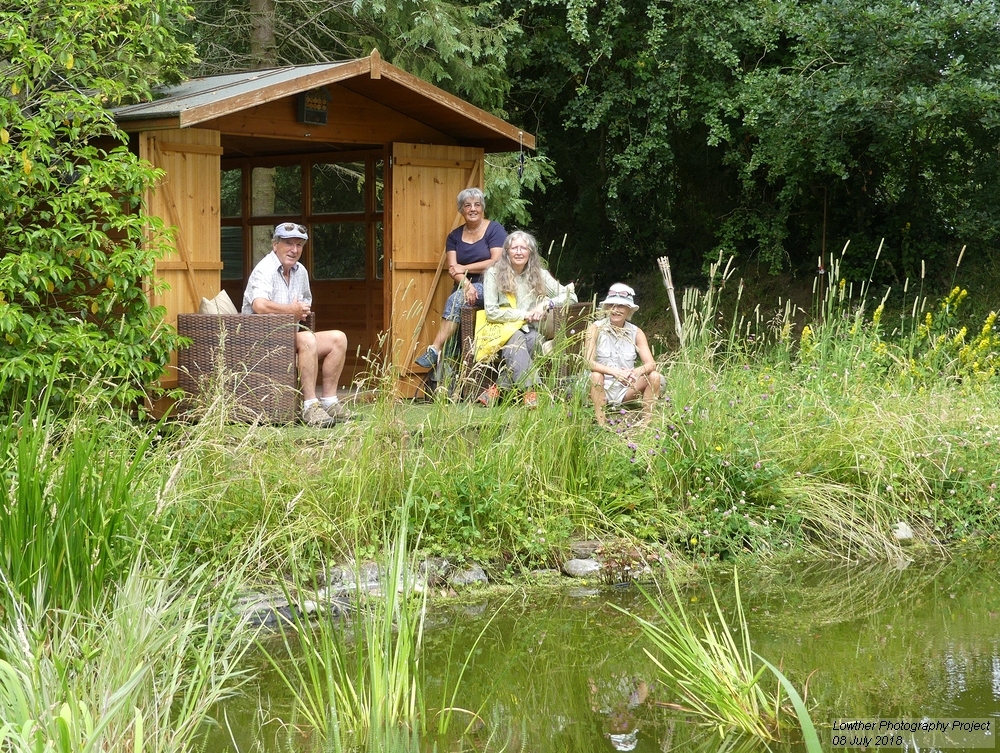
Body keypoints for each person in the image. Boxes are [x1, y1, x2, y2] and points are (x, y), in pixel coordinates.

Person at [242, 222, 349, 427]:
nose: (294, 250)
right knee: (308, 338)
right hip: (260, 342)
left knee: (338, 338)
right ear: (275, 245)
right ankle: (310, 407)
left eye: (299, 245)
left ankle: (329, 402)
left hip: (289, 337)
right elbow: (259, 305)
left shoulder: (300, 271)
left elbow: (305, 302)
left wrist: (302, 309)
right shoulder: (264, 269)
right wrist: (292, 310)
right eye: (289, 244)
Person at [480, 230, 577, 408]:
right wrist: (524, 315)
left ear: (530, 252)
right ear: (507, 251)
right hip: (502, 329)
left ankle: (497, 389)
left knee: (533, 340)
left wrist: (546, 304)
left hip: (530, 330)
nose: (518, 252)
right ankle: (531, 392)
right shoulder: (493, 273)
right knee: (517, 340)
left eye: (523, 248)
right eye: (514, 248)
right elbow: (491, 312)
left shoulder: (540, 274)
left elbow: (571, 296)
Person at [414, 188, 507, 370]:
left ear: (482, 208)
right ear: (461, 210)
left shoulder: (495, 229)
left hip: (491, 286)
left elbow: (495, 261)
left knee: (455, 298)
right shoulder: (454, 236)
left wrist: (465, 269)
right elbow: (452, 269)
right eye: (467, 205)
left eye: (477, 205)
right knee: (457, 300)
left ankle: (434, 349)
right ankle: (449, 375)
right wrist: (466, 284)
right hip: (464, 287)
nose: (473, 209)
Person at [584, 283, 661, 426]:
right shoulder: (595, 328)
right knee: (595, 375)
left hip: (626, 390)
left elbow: (651, 364)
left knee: (655, 376)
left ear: (629, 310)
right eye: (612, 305)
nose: (615, 310)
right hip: (601, 387)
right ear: (606, 308)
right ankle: (601, 423)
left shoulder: (636, 332)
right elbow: (587, 362)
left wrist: (635, 372)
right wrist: (615, 372)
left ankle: (647, 423)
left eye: (621, 306)